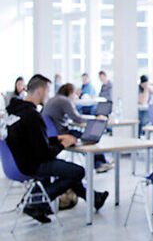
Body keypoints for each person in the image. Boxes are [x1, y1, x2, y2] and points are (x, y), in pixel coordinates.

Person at [4, 74, 108, 223]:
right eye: (47, 91)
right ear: (40, 91)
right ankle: (36, 202)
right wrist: (62, 144)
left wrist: (56, 139)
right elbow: (45, 154)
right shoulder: (32, 115)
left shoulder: (15, 111)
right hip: (33, 164)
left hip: (18, 162)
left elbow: (32, 140)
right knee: (78, 171)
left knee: (69, 171)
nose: (48, 96)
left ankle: (95, 198)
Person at [43, 83, 113, 173]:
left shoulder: (53, 99)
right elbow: (77, 118)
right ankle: (100, 163)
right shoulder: (64, 101)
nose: (76, 96)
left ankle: (100, 162)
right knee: (90, 137)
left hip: (51, 133)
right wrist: (95, 118)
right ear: (70, 93)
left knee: (83, 134)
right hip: (62, 134)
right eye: (75, 93)